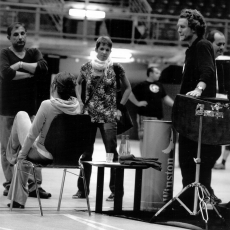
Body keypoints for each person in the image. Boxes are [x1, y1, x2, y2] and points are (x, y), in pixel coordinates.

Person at [6, 71, 80, 208]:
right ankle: (15, 158)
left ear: (55, 87)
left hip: (43, 155)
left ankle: (11, 156)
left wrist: (21, 155)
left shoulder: (47, 105)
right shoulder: (77, 107)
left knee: (21, 115)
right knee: (31, 131)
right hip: (67, 157)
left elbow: (31, 135)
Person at [74, 36, 131, 201]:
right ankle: (82, 190)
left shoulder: (116, 68)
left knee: (111, 153)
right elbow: (78, 83)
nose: (104, 52)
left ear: (110, 51)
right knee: (86, 153)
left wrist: (120, 106)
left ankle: (115, 191)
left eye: (107, 49)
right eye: (102, 48)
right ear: (96, 49)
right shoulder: (86, 67)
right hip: (89, 114)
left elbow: (128, 88)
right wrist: (79, 100)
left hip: (108, 115)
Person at [177, 9, 222, 209]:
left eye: (182, 27)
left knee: (194, 161)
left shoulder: (202, 45)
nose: (178, 30)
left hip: (199, 118)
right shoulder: (190, 50)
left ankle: (198, 201)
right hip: (189, 117)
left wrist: (198, 89)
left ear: (194, 28)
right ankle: (190, 201)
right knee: (186, 160)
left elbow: (208, 70)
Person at [0, 22, 51, 198]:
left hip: (29, 108)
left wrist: (19, 65)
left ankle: (34, 185)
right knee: (7, 148)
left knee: (32, 146)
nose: (20, 37)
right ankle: (10, 184)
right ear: (9, 37)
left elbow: (43, 68)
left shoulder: (33, 52)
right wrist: (30, 72)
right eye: (15, 34)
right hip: (7, 108)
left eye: (22, 33)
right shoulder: (4, 53)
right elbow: (5, 74)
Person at [129, 66, 174, 153]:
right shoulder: (142, 85)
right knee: (144, 137)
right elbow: (129, 93)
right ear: (150, 73)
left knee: (156, 138)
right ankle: (144, 156)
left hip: (157, 116)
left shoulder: (159, 85)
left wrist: (175, 105)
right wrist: (137, 103)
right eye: (157, 73)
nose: (159, 75)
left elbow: (165, 97)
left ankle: (152, 156)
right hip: (144, 116)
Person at [206, 30, 229, 170]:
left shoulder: (225, 64)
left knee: (214, 151)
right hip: (207, 115)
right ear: (209, 44)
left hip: (221, 114)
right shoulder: (202, 63)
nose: (221, 47)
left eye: (224, 44)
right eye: (218, 44)